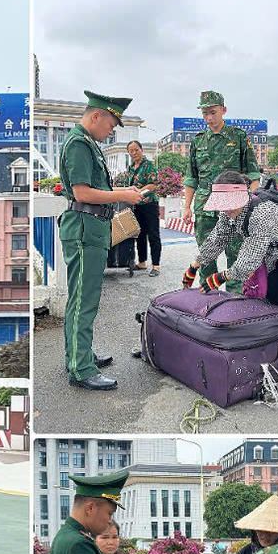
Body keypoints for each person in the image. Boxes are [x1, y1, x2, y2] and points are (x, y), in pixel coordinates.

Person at [188, 171, 278, 406]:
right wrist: (195, 265)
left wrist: (217, 278)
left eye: (230, 205)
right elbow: (218, 238)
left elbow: (246, 263)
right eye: (223, 205)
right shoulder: (230, 214)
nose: (227, 210)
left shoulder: (262, 213)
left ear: (243, 197)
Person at [58, 91, 145, 391]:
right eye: (110, 125)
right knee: (84, 301)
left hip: (89, 228)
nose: (111, 132)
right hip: (85, 228)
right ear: (96, 116)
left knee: (80, 298)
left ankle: (78, 355)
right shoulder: (79, 144)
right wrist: (123, 194)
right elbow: (82, 193)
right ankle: (81, 368)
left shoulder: (86, 143)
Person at [181, 90, 261, 280]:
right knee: (206, 258)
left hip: (234, 206)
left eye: (213, 112)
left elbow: (253, 174)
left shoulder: (239, 137)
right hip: (205, 207)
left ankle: (236, 303)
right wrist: (186, 206)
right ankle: (208, 301)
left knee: (236, 255)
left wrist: (248, 203)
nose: (209, 118)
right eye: (205, 113)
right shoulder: (198, 141)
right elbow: (191, 177)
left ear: (223, 110)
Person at [124, 142, 161, 276]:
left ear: (141, 150)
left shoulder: (149, 165)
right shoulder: (131, 168)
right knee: (139, 234)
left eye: (136, 150)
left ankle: (156, 266)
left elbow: (153, 185)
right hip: (136, 205)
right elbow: (126, 185)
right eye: (131, 151)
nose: (134, 153)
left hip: (149, 204)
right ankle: (142, 262)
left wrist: (139, 191)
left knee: (153, 235)